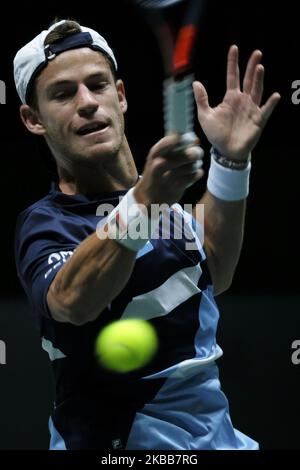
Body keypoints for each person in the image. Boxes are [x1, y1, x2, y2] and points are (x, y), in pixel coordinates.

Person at [14, 19, 280, 450]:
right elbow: (70, 301)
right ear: (33, 119)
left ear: (120, 96)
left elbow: (217, 269)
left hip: (219, 440)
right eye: (63, 94)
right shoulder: (47, 224)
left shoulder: (165, 204)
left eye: (97, 85)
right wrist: (143, 201)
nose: (86, 103)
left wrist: (230, 161)